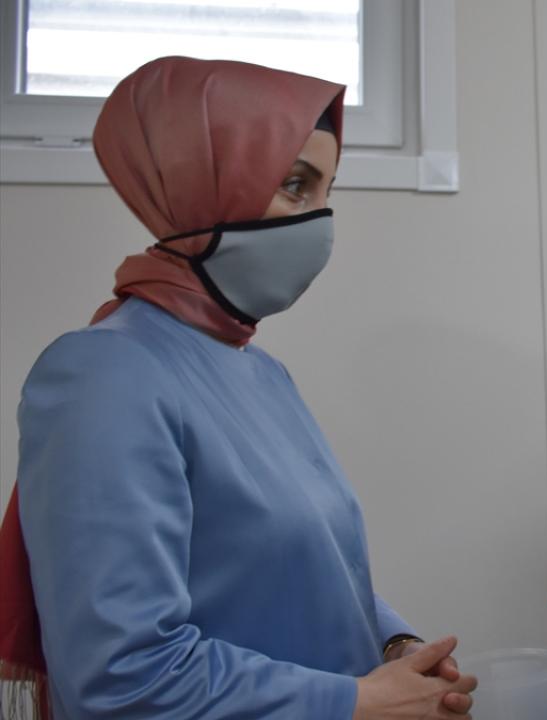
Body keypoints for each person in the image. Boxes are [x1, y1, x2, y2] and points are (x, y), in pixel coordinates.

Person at [0, 57, 477, 719]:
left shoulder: (260, 370)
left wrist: (394, 645)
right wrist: (357, 701)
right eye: (294, 184)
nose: (320, 222)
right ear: (201, 179)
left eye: (326, 191)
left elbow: (304, 567)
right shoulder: (103, 375)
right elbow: (122, 678)